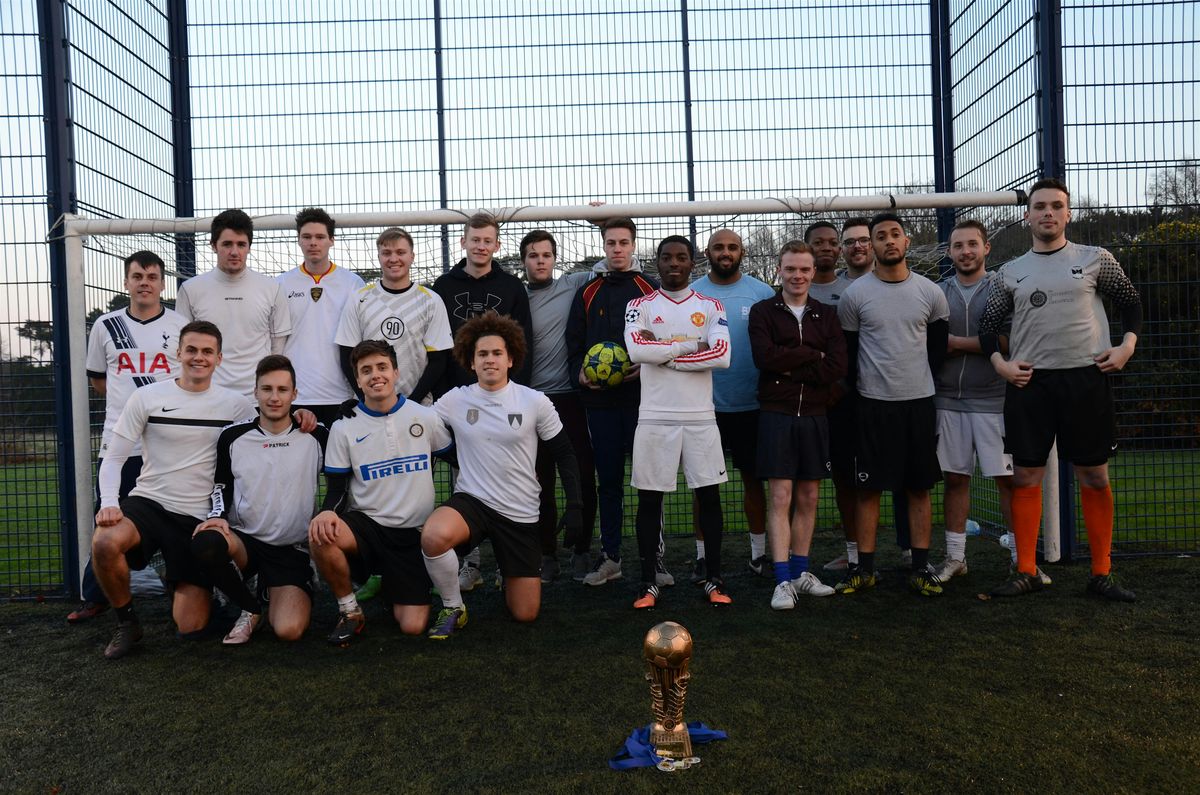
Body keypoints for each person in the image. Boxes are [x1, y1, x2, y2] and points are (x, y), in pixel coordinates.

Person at [980, 178, 1142, 601]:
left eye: (1056, 206)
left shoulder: (1095, 258)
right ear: (1027, 216)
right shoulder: (1009, 272)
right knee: (1026, 476)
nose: (1048, 212)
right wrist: (1001, 364)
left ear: (1068, 214)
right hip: (1031, 383)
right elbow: (987, 327)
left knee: (1094, 475)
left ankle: (1101, 573)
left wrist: (1126, 346)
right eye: (1040, 206)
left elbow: (1131, 303)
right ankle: (1027, 570)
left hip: (1085, 379)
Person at [89, 321, 256, 659]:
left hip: (197, 517)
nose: (198, 357)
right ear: (178, 353)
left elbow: (267, 435)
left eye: (207, 351)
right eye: (191, 350)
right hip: (149, 503)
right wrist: (109, 502)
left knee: (191, 627)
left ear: (219, 358)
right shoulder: (147, 397)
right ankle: (127, 623)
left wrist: (304, 418)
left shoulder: (236, 406)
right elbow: (114, 457)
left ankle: (182, 580)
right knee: (105, 541)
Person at [420, 313, 583, 637]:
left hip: (519, 511)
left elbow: (564, 453)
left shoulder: (534, 401)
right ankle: (453, 607)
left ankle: (509, 573)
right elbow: (414, 421)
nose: (489, 359)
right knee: (433, 536)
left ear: (511, 359)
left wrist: (576, 505)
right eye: (482, 354)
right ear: (471, 360)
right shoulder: (455, 399)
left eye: (497, 353)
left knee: (525, 613)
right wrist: (364, 407)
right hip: (473, 501)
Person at [307, 340, 453, 645]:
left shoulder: (425, 417)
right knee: (321, 534)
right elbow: (337, 489)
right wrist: (326, 512)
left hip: (413, 534)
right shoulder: (344, 427)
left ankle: (391, 586)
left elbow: (456, 458)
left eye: (382, 367)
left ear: (396, 373)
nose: (376, 375)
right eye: (366, 370)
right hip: (368, 528)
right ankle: (349, 611)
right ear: (358, 380)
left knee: (412, 626)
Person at [69, 250, 187, 624]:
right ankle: (97, 595)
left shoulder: (180, 325)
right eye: (137, 276)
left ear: (163, 283)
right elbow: (99, 379)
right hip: (121, 440)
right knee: (107, 514)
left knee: (174, 514)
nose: (144, 283)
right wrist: (133, 409)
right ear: (126, 282)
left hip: (168, 441)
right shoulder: (106, 325)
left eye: (152, 277)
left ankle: (181, 584)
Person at [836, 212, 950, 597]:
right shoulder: (855, 296)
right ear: (871, 245)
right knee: (867, 490)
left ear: (906, 241)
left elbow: (936, 351)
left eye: (894, 234)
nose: (888, 240)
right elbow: (850, 355)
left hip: (918, 405)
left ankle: (920, 567)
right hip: (872, 407)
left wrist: (914, 381)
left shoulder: (930, 293)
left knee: (918, 488)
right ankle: (865, 569)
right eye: (880, 236)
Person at [624, 236, 732, 609]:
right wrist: (689, 346)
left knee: (709, 497)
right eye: (667, 257)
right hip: (655, 417)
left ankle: (714, 578)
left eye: (681, 257)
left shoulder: (710, 305)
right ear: (657, 263)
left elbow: (722, 355)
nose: (674, 263)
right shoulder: (639, 305)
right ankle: (647, 583)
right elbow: (636, 350)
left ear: (692, 263)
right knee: (649, 500)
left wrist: (663, 353)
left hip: (700, 418)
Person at [429, 213, 535, 590]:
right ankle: (470, 562)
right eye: (475, 239)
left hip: (503, 400)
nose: (481, 246)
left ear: (497, 245)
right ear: (463, 242)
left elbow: (524, 345)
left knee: (506, 476)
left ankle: (508, 561)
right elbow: (439, 347)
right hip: (461, 401)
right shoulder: (444, 286)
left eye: (488, 240)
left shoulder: (511, 286)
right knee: (465, 480)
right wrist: (446, 395)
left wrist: (515, 394)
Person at [192, 355, 327, 645]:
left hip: (291, 549)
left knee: (289, 631)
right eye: (266, 389)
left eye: (282, 390)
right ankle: (250, 607)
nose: (274, 397)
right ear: (255, 392)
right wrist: (216, 516)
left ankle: (277, 586)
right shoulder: (232, 436)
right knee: (207, 541)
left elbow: (340, 480)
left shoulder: (317, 435)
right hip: (246, 542)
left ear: (294, 394)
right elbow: (221, 484)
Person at [564, 217, 664, 587]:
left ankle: (656, 560)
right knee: (608, 480)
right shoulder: (588, 291)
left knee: (650, 481)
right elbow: (574, 343)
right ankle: (611, 557)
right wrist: (579, 372)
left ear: (633, 245)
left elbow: (665, 341)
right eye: (611, 243)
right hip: (600, 403)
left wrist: (647, 364)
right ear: (603, 246)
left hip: (643, 401)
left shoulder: (650, 288)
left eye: (623, 242)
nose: (617, 249)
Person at [748, 241, 847, 609]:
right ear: (779, 269)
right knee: (780, 497)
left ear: (813, 272)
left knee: (809, 496)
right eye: (790, 269)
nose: (798, 276)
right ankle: (781, 580)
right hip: (777, 415)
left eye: (804, 269)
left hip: (816, 416)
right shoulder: (763, 311)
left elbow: (836, 367)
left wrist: (790, 365)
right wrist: (810, 356)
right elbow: (765, 358)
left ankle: (801, 573)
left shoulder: (827, 314)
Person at [931, 220, 1022, 583]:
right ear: (949, 252)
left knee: (1008, 481)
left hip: (994, 400)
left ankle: (1021, 559)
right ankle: (955, 558)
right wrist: (979, 344)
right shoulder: (938, 292)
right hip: (948, 400)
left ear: (986, 248)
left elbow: (1010, 341)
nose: (965, 251)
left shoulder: (1003, 288)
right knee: (955, 479)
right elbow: (931, 345)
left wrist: (956, 343)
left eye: (972, 244)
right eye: (958, 246)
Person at [691, 229, 775, 581]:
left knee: (754, 482)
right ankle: (703, 558)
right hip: (704, 407)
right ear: (707, 252)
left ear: (742, 252)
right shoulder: (693, 293)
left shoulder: (762, 292)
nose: (725, 253)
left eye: (732, 247)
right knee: (703, 487)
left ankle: (759, 554)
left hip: (752, 406)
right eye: (718, 247)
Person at [522, 229, 598, 582]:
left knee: (581, 475)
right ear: (524, 260)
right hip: (531, 400)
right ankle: (546, 552)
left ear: (554, 259)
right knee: (538, 482)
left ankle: (581, 549)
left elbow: (617, 262)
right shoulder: (516, 297)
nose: (540, 261)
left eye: (546, 255)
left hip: (570, 398)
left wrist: (598, 221)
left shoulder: (573, 284)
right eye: (533, 255)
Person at [175, 209, 292, 395]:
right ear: (213, 245)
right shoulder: (190, 290)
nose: (234, 252)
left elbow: (277, 348)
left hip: (256, 397)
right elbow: (182, 345)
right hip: (208, 394)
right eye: (227, 244)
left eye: (241, 244)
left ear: (249, 247)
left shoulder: (272, 288)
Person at [336, 227, 452, 408]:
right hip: (370, 405)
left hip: (417, 405)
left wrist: (409, 404)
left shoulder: (431, 300)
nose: (393, 259)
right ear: (379, 257)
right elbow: (347, 356)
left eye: (400, 252)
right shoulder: (359, 299)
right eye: (386, 253)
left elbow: (438, 361)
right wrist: (366, 400)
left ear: (412, 256)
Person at [277, 207, 365, 427]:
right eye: (306, 237)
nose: (313, 243)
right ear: (299, 240)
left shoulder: (352, 283)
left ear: (331, 240)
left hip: (341, 394)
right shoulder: (281, 283)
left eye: (320, 237)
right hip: (296, 394)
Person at [804, 221, 852, 305]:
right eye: (818, 243)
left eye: (833, 243)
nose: (826, 248)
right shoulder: (791, 291)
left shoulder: (852, 290)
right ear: (805, 249)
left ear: (839, 250)